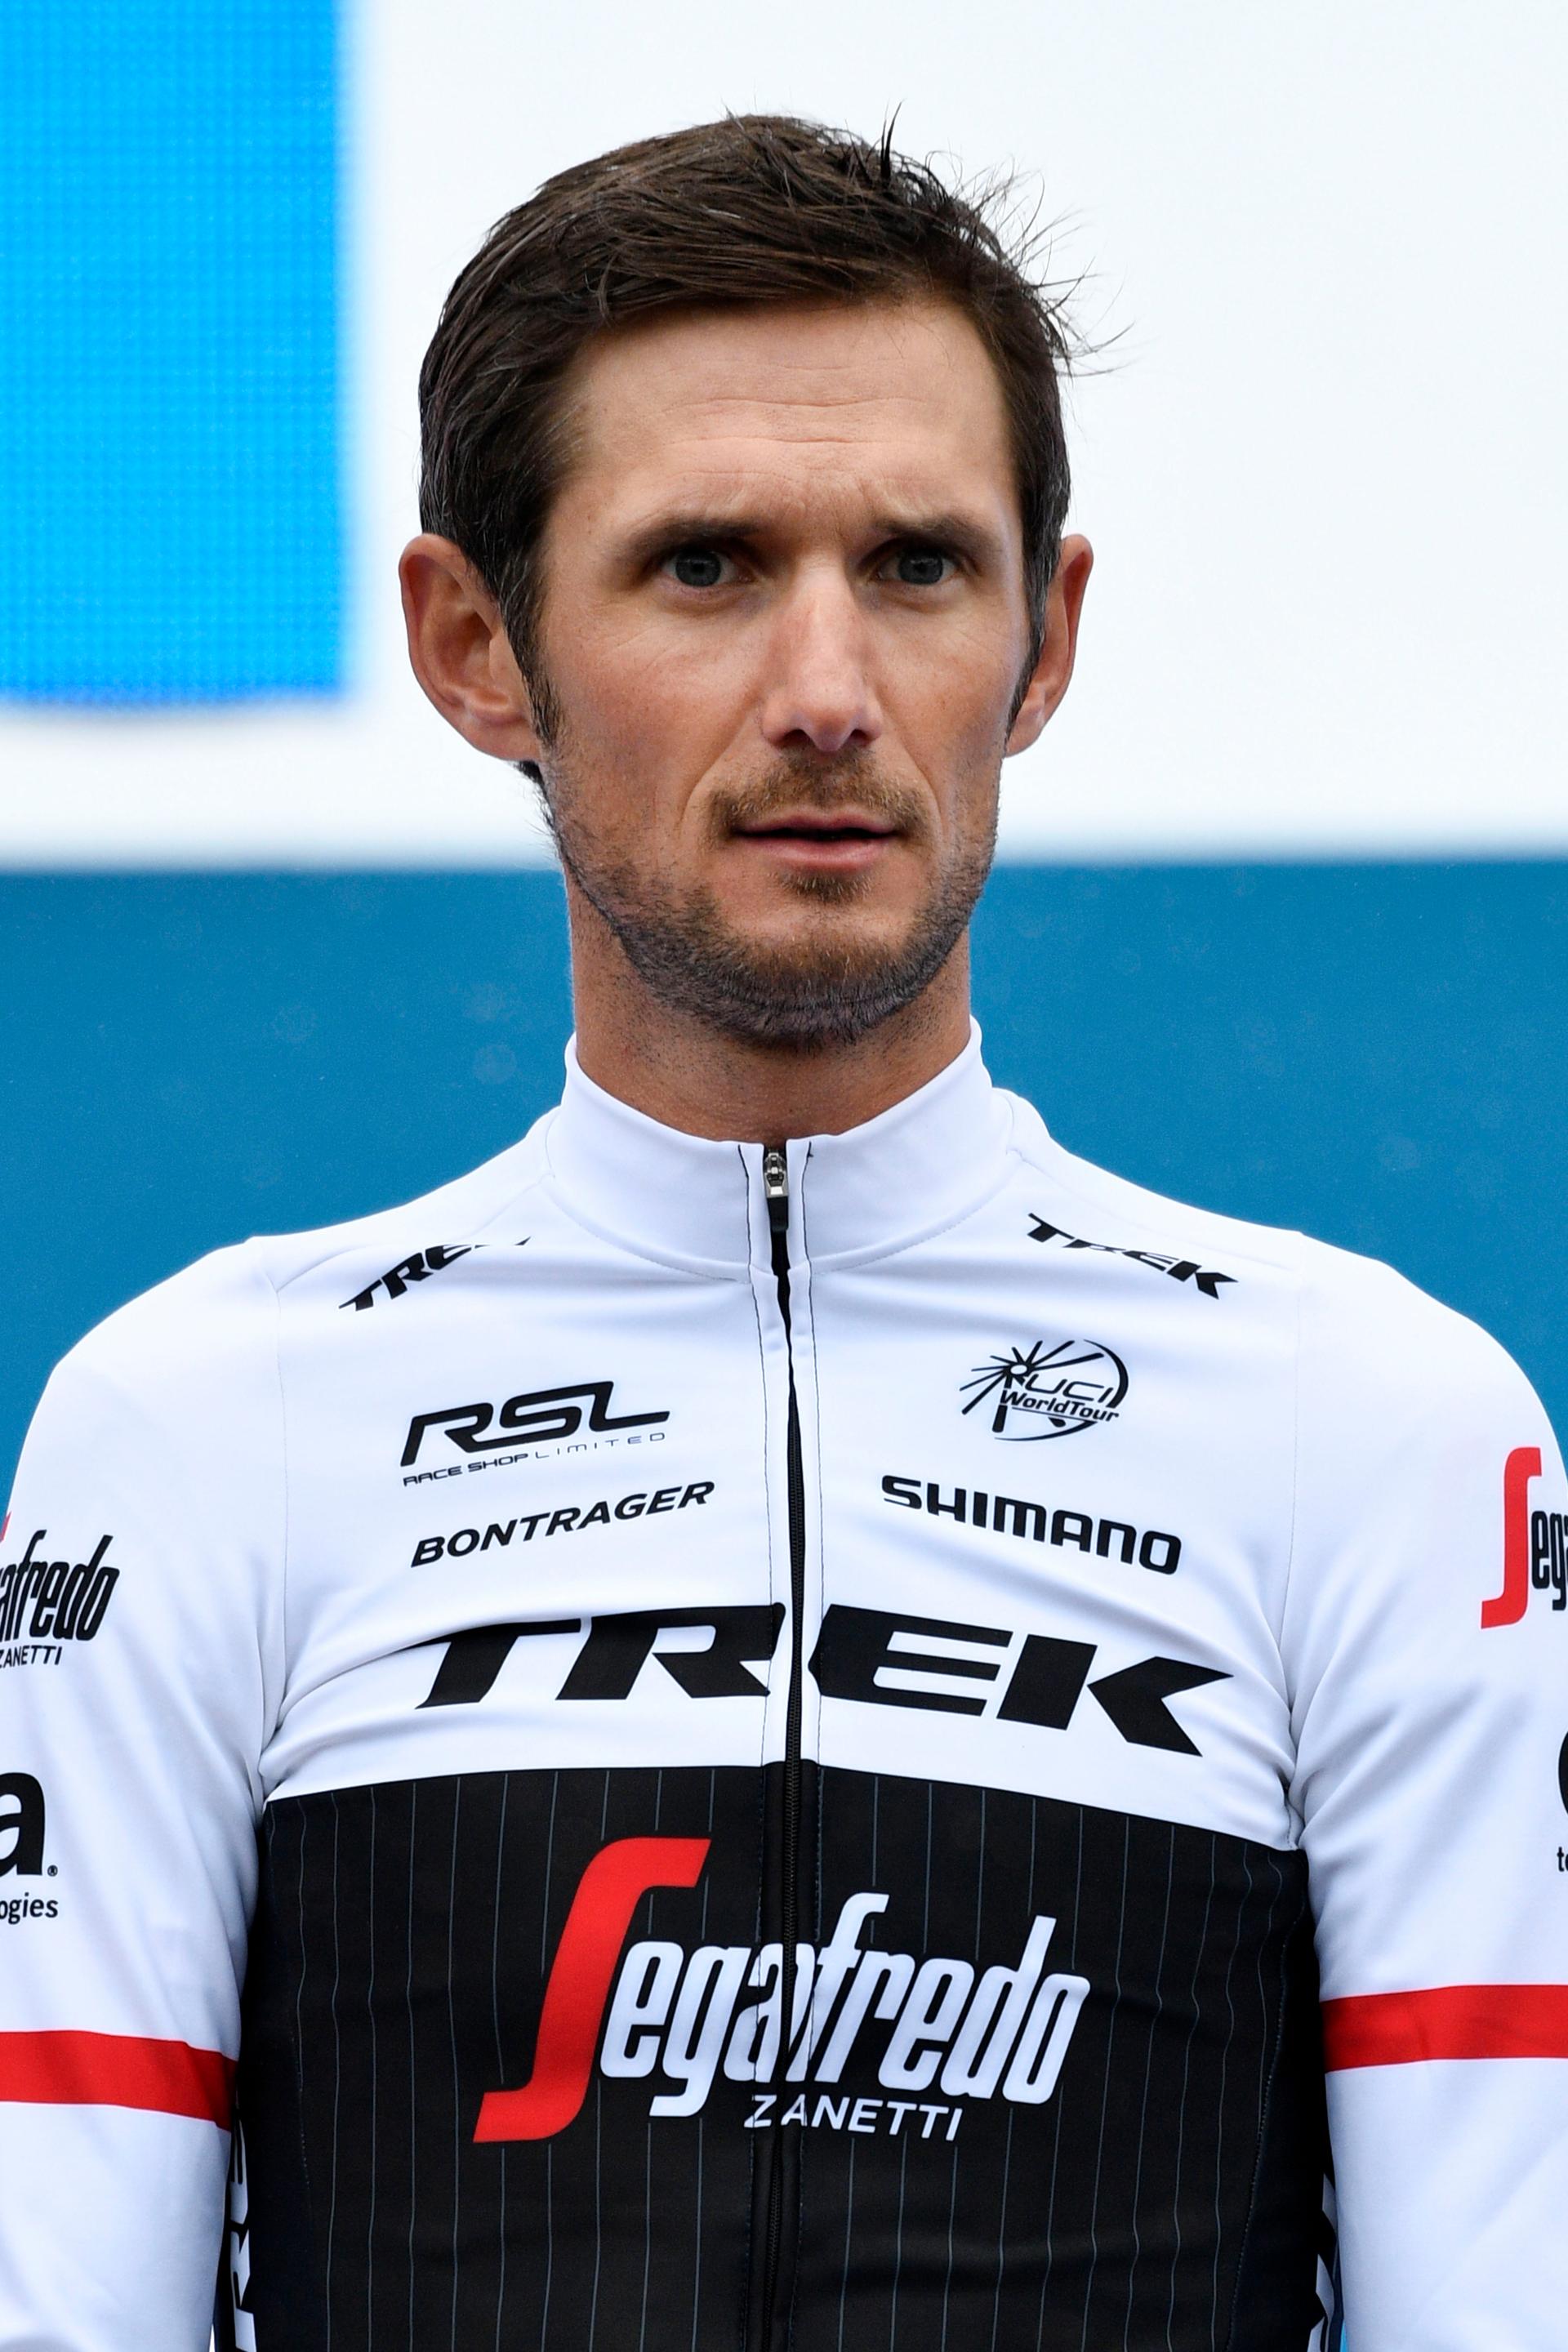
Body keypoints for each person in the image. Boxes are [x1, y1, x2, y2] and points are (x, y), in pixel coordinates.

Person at [1, 114, 1562, 2352]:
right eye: (708, 564)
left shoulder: (1379, 1428)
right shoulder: (195, 1425)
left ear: (1048, 639)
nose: (828, 690)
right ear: (475, 645)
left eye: (920, 566)